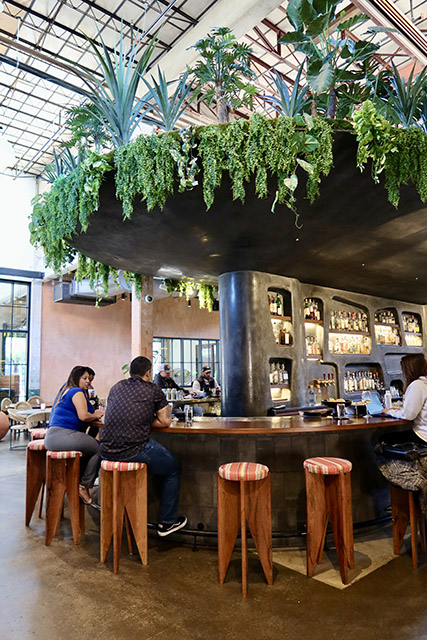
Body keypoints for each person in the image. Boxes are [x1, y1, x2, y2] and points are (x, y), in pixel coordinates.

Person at [99, 356, 187, 537]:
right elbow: (165, 421)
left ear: (130, 372)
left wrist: (140, 421)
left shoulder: (116, 387)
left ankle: (108, 516)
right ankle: (167, 522)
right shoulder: (153, 390)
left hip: (105, 450)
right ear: (148, 373)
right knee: (173, 468)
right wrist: (145, 422)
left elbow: (111, 415)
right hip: (133, 449)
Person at [44, 366, 105, 505]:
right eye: (84, 378)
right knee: (102, 449)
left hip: (54, 436)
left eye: (89, 379)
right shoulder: (76, 391)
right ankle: (83, 486)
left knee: (90, 448)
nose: (87, 382)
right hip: (63, 435)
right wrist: (95, 414)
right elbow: (83, 416)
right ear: (76, 378)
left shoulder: (66, 390)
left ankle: (77, 482)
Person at [381, 353, 427, 445]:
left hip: (423, 436)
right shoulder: (424, 383)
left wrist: (389, 411)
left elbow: (409, 415)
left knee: (383, 439)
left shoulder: (417, 385)